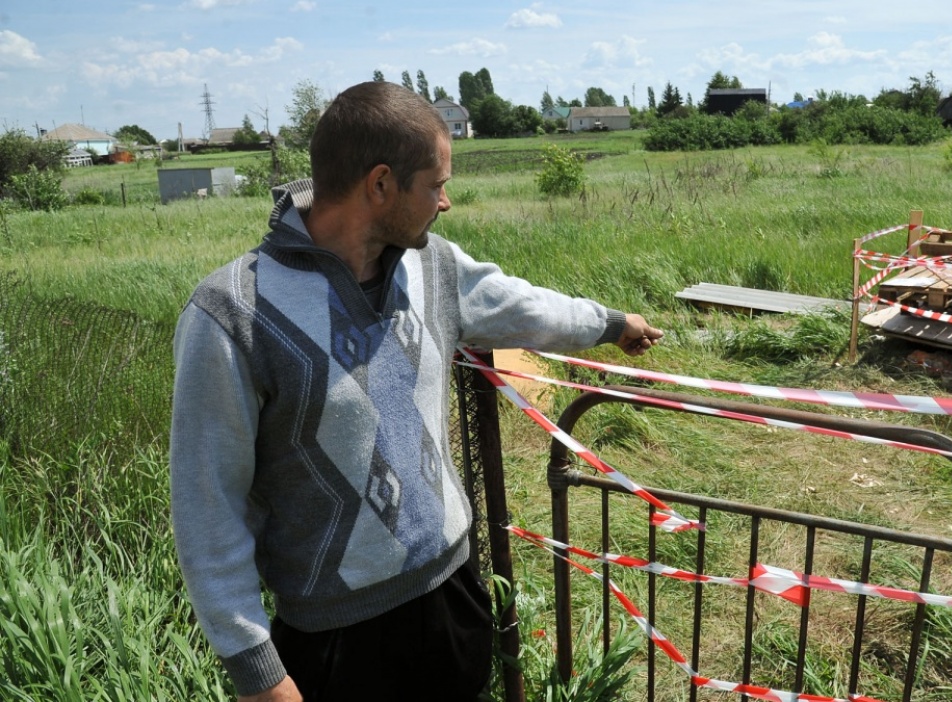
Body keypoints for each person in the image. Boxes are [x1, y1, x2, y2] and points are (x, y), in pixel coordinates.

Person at [170, 80, 662, 702]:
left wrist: (612, 325)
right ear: (380, 185)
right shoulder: (232, 315)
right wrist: (258, 674)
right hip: (337, 641)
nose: (447, 202)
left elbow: (521, 305)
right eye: (436, 184)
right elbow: (207, 510)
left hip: (454, 597)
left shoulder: (431, 266)